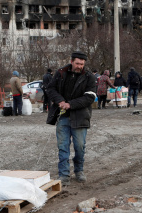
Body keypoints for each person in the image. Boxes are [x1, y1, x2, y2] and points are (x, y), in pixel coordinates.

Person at [46, 51, 97, 186]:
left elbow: (90, 97)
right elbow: (50, 89)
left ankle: (79, 170)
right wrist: (60, 101)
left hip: (80, 116)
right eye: (77, 63)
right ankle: (64, 174)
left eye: (82, 64)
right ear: (72, 61)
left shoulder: (89, 77)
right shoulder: (61, 73)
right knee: (63, 147)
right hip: (63, 116)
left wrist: (71, 104)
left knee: (80, 146)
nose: (79, 66)